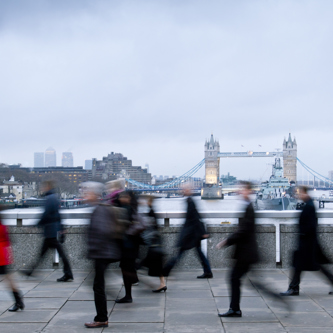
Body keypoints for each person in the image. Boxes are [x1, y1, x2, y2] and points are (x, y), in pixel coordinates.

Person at [280, 186, 333, 296]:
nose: (299, 196)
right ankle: (293, 288)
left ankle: (293, 288)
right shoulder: (309, 205)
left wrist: (302, 234)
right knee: (316, 267)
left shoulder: (309, 206)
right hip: (309, 243)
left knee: (299, 266)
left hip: (307, 243)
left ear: (305, 193)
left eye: (300, 193)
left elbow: (310, 226)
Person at [216, 181, 259, 317]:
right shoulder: (247, 206)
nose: (240, 191)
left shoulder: (249, 208)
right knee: (238, 279)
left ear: (249, 191)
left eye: (243, 189)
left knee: (234, 278)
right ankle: (235, 309)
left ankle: (235, 309)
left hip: (246, 253)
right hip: (246, 252)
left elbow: (244, 231)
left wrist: (227, 241)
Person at [83, 182, 122, 329]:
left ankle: (101, 318)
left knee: (98, 286)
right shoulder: (101, 208)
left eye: (87, 192)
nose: (84, 195)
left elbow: (103, 232)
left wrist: (93, 249)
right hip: (103, 253)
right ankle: (102, 316)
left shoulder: (100, 210)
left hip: (102, 253)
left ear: (95, 194)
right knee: (98, 285)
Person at [23, 180, 73, 282]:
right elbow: (58, 214)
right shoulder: (54, 197)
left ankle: (68, 273)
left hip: (50, 230)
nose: (42, 188)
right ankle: (31, 271)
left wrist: (35, 225)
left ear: (47, 187)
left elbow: (46, 214)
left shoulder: (50, 198)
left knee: (54, 253)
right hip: (53, 229)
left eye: (43, 186)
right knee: (45, 252)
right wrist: (62, 228)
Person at [163, 186, 213, 279]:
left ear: (189, 191)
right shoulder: (190, 201)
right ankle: (208, 272)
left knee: (180, 253)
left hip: (190, 234)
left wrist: (202, 232)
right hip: (193, 234)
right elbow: (197, 217)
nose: (183, 190)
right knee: (199, 253)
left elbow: (195, 218)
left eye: (185, 189)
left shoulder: (190, 202)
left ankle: (166, 270)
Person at [116, 191, 145, 303]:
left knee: (126, 269)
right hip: (130, 245)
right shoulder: (131, 208)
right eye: (121, 196)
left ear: (130, 198)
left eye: (125, 197)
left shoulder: (127, 209)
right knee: (127, 268)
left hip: (128, 245)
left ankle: (128, 295)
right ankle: (129, 294)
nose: (122, 198)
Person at [139, 196, 166, 292]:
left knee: (143, 264)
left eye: (146, 200)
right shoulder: (152, 210)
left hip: (153, 243)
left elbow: (149, 226)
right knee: (156, 264)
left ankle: (132, 279)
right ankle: (162, 283)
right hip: (156, 242)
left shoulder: (151, 212)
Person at [0, 205, 24, 312]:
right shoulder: (3, 225)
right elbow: (8, 239)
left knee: (8, 279)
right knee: (8, 278)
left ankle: (18, 300)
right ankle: (18, 300)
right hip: (3, 254)